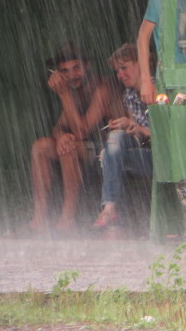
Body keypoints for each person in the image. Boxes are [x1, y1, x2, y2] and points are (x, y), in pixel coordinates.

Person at [28, 42, 118, 236]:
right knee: (41, 146)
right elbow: (59, 127)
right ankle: (39, 219)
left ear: (87, 66)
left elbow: (81, 131)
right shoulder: (74, 92)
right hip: (86, 147)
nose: (72, 75)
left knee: (70, 147)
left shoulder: (102, 88)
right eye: (65, 71)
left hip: (111, 150)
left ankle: (67, 219)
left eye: (76, 68)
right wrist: (61, 136)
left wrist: (64, 94)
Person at [93, 44, 152, 234]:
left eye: (124, 68)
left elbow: (167, 137)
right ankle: (109, 207)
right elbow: (137, 135)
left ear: (140, 64)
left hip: (161, 156)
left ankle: (111, 210)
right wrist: (128, 127)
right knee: (114, 138)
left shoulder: (159, 89)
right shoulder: (129, 95)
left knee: (111, 156)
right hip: (141, 149)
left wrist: (139, 129)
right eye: (117, 71)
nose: (120, 74)